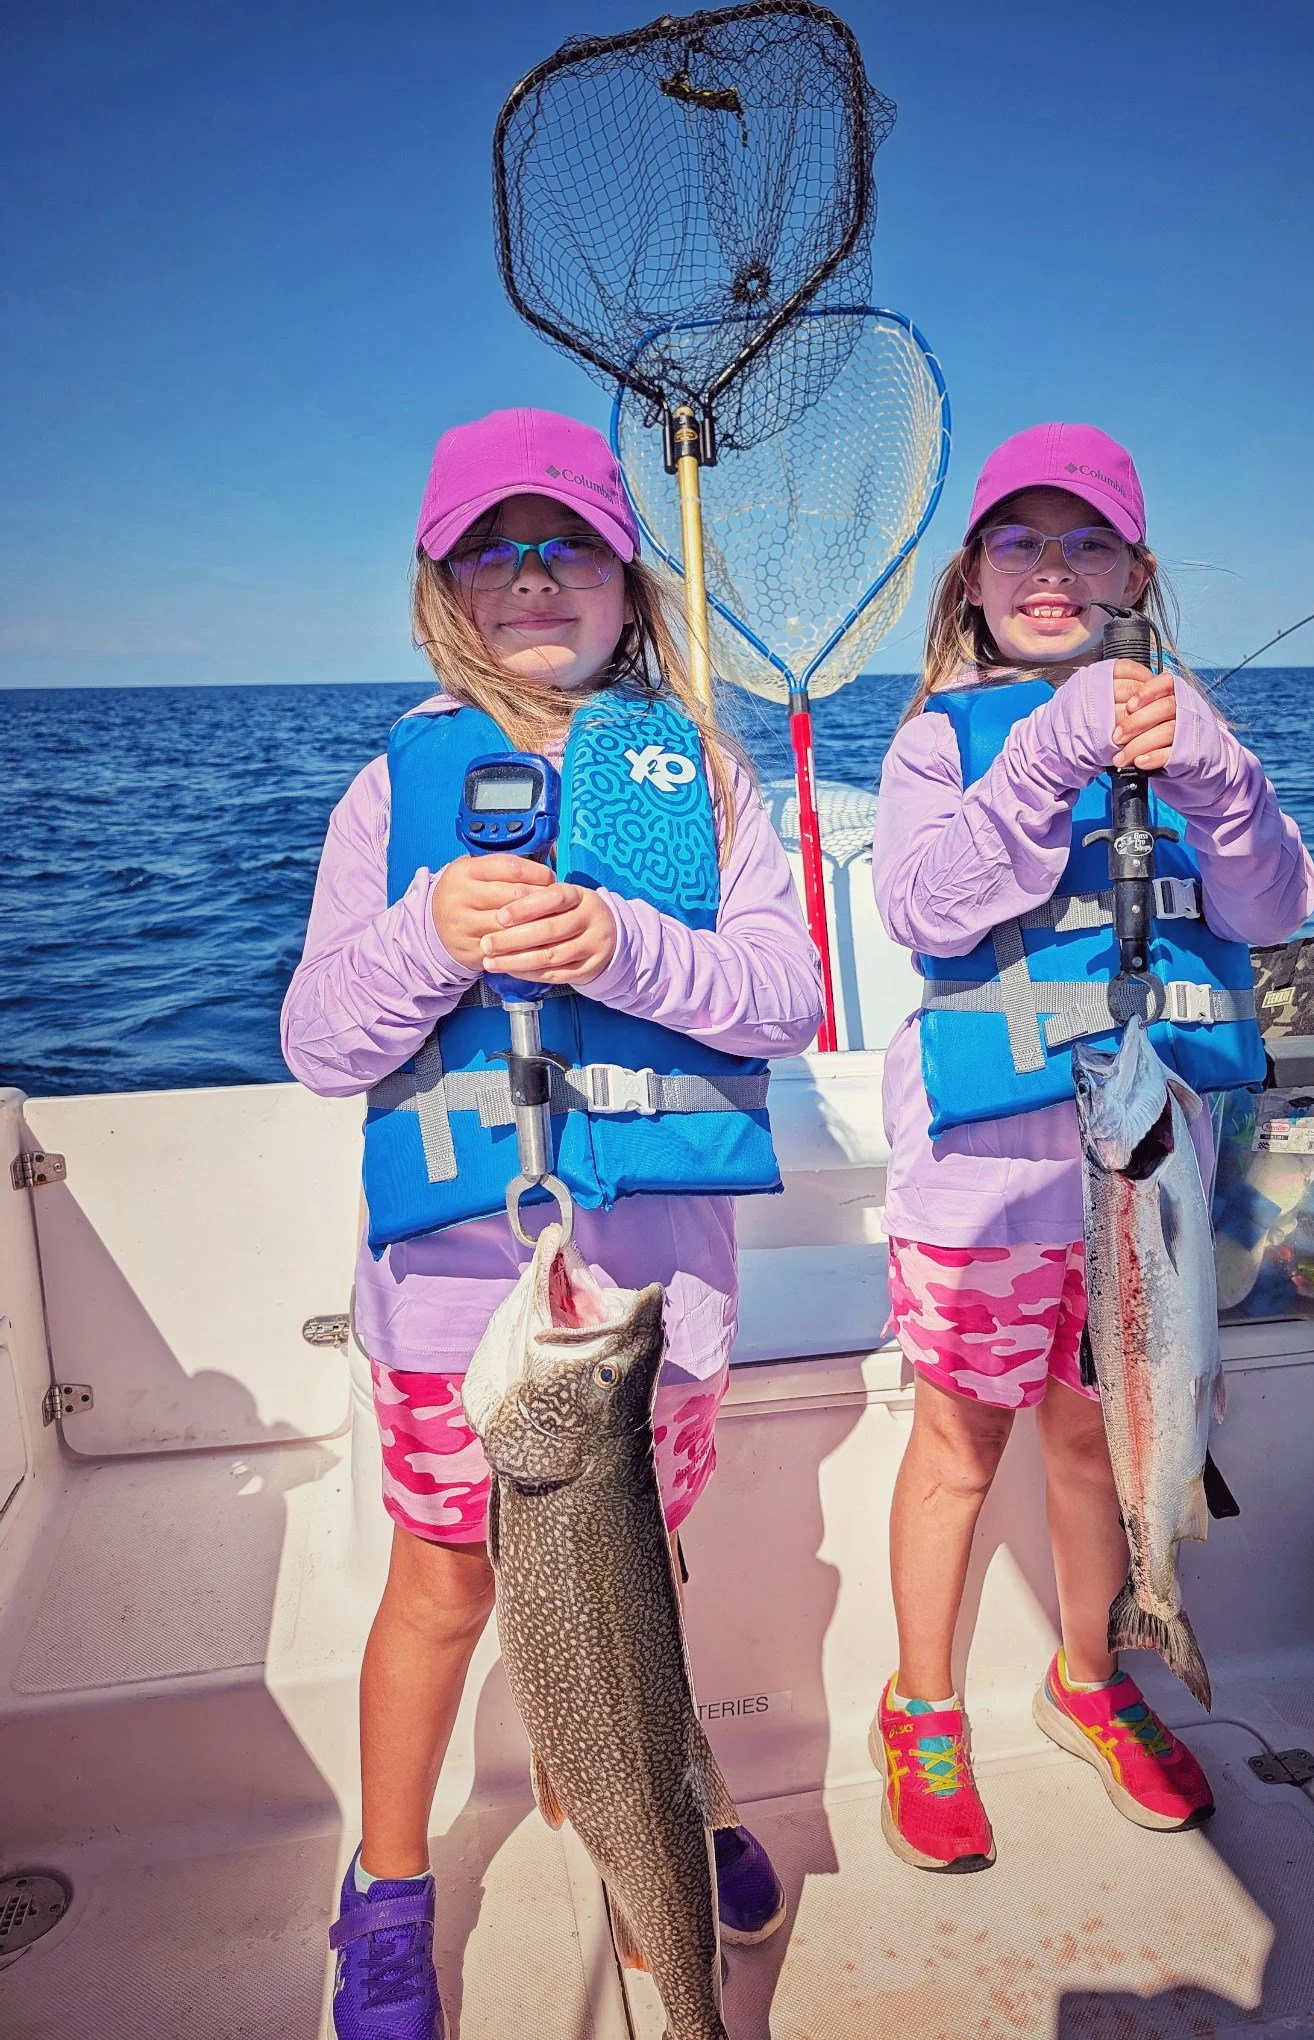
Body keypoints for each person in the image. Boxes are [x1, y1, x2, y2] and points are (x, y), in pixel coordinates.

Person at [282, 408, 823, 2038]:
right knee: (445, 1590)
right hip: (464, 1313)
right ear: (444, 586)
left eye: (569, 543)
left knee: (639, 1583)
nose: (535, 578)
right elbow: (323, 1044)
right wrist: (433, 932)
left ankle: (677, 1794)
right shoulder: (391, 796)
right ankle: (387, 1888)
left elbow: (789, 997)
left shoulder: (703, 774)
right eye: (495, 550)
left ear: (628, 579)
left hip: (658, 1311)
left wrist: (624, 951)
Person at [868, 422, 1314, 1870]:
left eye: (1086, 543)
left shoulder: (1193, 731)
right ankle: (921, 1708)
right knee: (955, 1447)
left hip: (1145, 1183)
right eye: (1022, 541)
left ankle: (1090, 1671)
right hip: (987, 1192)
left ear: (1135, 571)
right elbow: (930, 911)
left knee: (1093, 1443)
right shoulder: (941, 736)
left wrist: (1222, 783)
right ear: (973, 575)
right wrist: (1055, 747)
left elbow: (1268, 908)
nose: (1053, 570)